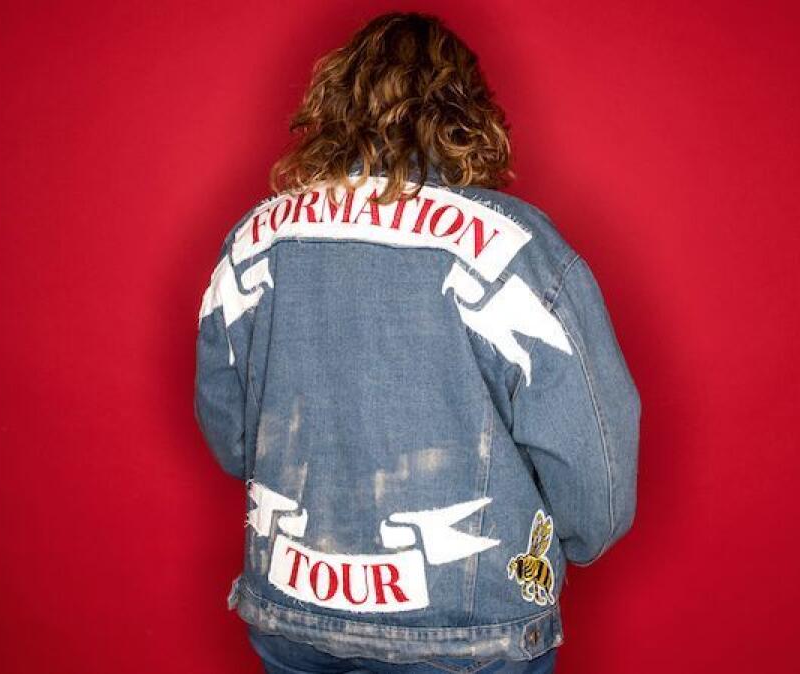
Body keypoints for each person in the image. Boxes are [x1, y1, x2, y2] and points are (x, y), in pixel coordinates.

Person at [194, 11, 642, 673]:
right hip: (468, 627)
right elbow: (595, 461)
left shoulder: (254, 239)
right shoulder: (519, 248)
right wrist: (573, 545)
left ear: (335, 103)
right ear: (465, 112)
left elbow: (230, 431)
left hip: (291, 604)